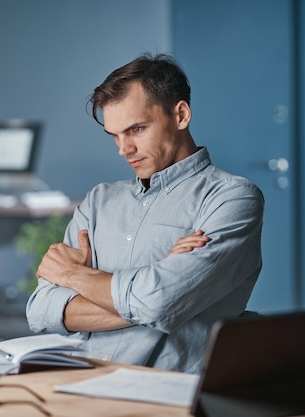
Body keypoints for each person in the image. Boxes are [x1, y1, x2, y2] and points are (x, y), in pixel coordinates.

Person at [26, 53, 264, 374]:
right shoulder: (98, 201)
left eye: (136, 129)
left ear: (180, 115)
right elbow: (41, 311)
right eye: (115, 135)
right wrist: (160, 289)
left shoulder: (232, 198)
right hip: (82, 380)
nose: (124, 149)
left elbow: (157, 302)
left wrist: (71, 276)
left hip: (169, 394)